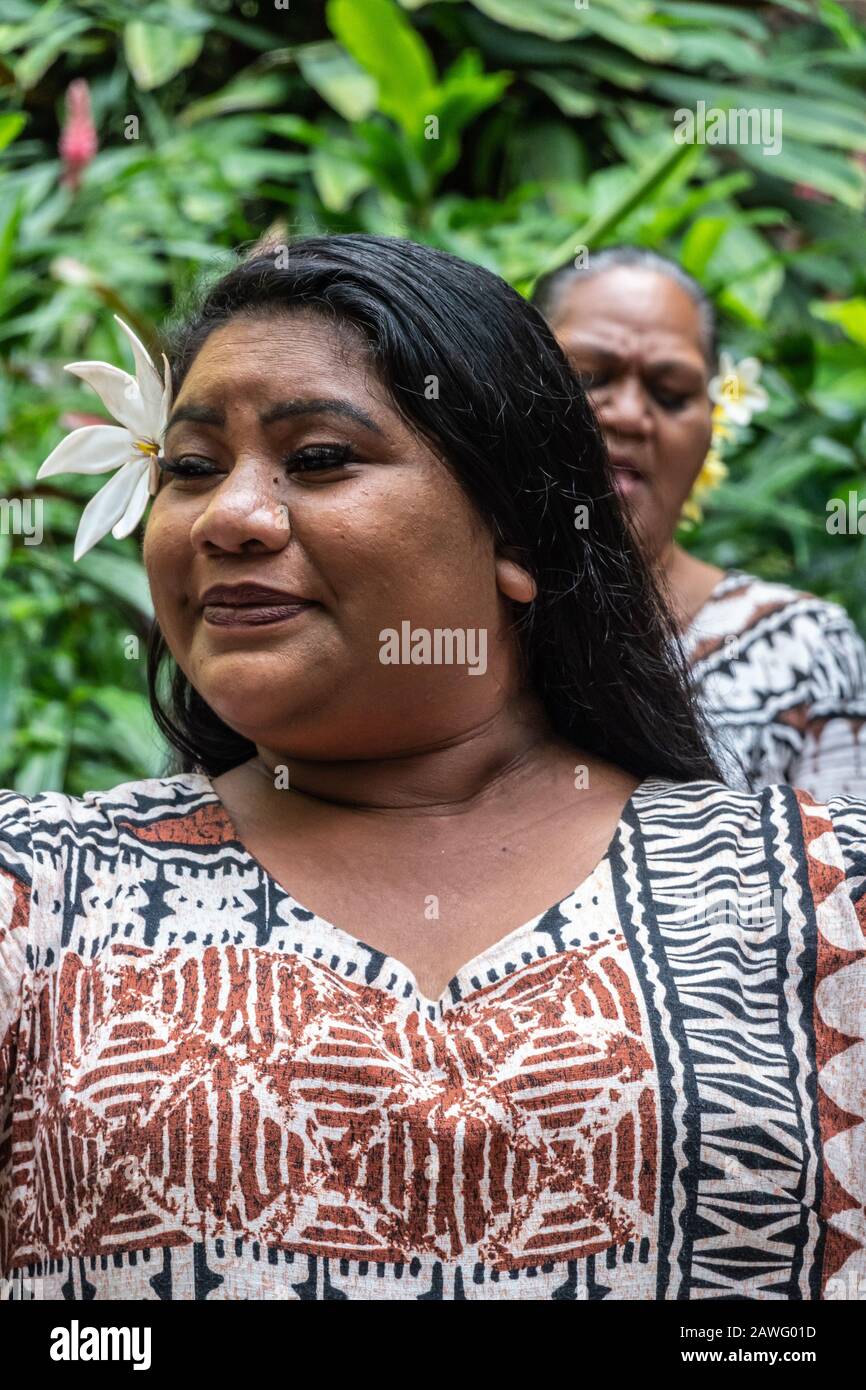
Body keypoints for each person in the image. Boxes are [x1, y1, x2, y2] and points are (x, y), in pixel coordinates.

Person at [1, 236, 863, 1302]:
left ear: (516, 533)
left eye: (317, 458)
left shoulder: (822, 898)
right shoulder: (35, 892)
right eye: (188, 467)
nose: (228, 516)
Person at [533, 246, 866, 799]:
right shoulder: (464, 627)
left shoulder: (805, 653)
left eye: (670, 394)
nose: (630, 415)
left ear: (712, 427)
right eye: (590, 378)